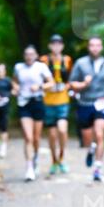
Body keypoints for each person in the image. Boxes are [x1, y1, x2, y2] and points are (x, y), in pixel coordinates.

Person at [69, 36, 104, 182]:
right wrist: (83, 84)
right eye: (92, 45)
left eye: (97, 45)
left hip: (102, 102)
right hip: (85, 103)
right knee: (87, 139)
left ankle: (97, 168)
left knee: (100, 133)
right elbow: (72, 83)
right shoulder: (80, 63)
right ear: (88, 47)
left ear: (101, 47)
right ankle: (91, 148)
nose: (95, 48)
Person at [14, 46, 55, 181]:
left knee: (36, 138)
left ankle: (36, 155)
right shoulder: (18, 67)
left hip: (37, 102)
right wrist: (15, 88)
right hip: (23, 103)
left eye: (32, 54)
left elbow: (51, 83)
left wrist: (40, 87)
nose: (29, 56)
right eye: (27, 54)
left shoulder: (41, 67)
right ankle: (29, 168)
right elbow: (14, 81)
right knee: (28, 137)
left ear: (36, 55)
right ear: (24, 55)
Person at [41, 34, 73, 176]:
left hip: (63, 100)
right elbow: (39, 79)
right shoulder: (43, 60)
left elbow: (71, 79)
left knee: (62, 130)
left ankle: (62, 157)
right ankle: (54, 161)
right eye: (53, 44)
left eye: (59, 44)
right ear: (50, 46)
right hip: (48, 101)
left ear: (62, 46)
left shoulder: (67, 60)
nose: (56, 46)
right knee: (52, 135)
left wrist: (66, 86)